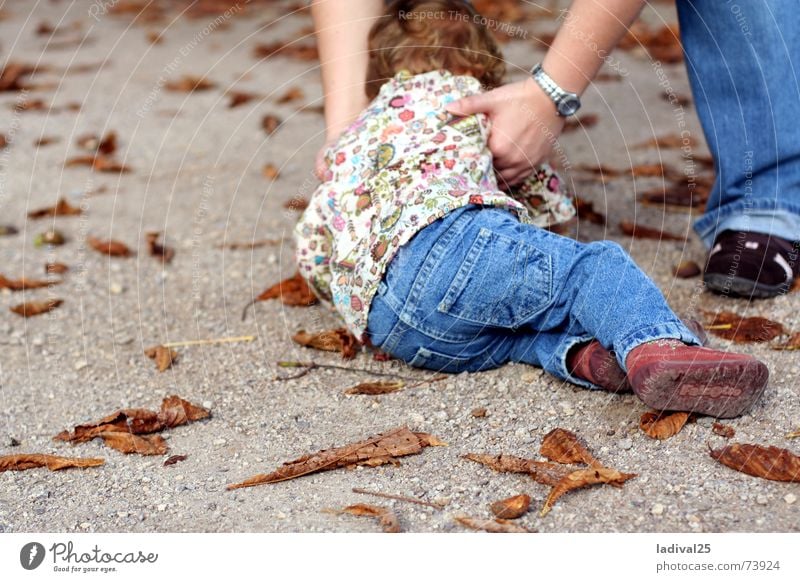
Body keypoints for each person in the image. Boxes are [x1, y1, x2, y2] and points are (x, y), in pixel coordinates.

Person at [296, 0, 770, 418]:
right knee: (589, 270)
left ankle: (590, 359)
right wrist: (554, 243)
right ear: (485, 70)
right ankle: (657, 344)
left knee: (518, 338)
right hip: (449, 244)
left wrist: (351, 297)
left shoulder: (350, 140)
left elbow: (315, 247)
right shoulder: (474, 107)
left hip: (390, 326)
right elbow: (545, 203)